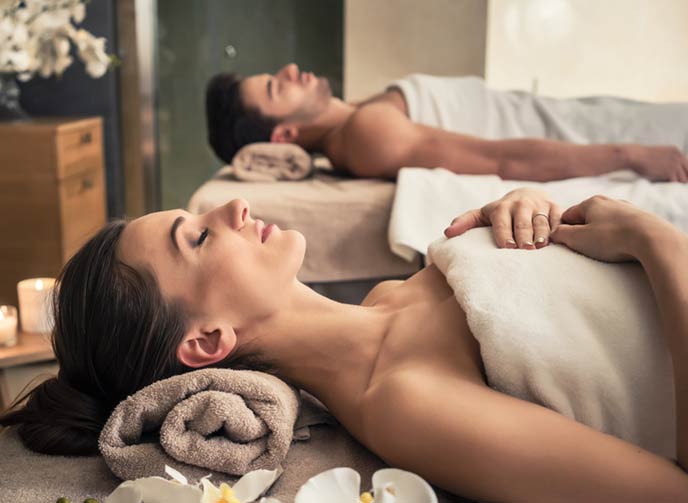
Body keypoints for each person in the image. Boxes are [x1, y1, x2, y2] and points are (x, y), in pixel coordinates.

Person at [2, 189, 688, 501]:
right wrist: (655, 242)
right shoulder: (403, 401)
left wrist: (533, 211)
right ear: (209, 340)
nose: (235, 207)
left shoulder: (394, 295)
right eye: (202, 236)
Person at [205, 63, 688, 183]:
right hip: (603, 140)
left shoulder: (359, 115)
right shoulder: (368, 135)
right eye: (277, 88)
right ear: (285, 135)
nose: (291, 70)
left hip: (585, 117)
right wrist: (632, 155)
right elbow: (502, 159)